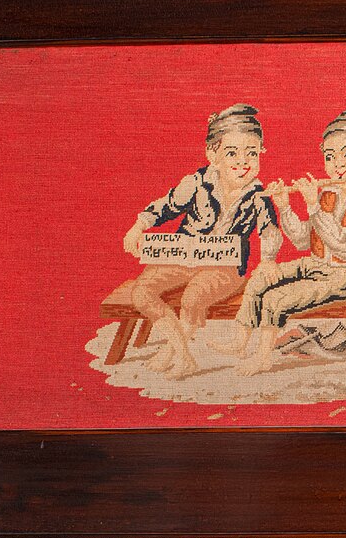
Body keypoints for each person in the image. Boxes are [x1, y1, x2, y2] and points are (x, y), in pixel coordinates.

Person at [114, 104, 282, 380]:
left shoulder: (258, 195)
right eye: (232, 153)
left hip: (225, 268)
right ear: (212, 155)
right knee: (142, 292)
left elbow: (269, 231)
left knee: (193, 298)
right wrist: (138, 226)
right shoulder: (196, 182)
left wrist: (268, 260)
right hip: (183, 256)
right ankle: (182, 354)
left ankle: (172, 351)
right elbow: (166, 206)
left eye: (252, 153)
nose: (243, 162)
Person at [213, 108, 346, 376]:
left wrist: (314, 207)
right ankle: (239, 342)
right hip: (316, 266)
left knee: (276, 298)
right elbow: (303, 240)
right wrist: (285, 206)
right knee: (261, 278)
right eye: (330, 156)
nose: (337, 164)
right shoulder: (328, 191)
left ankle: (263, 358)